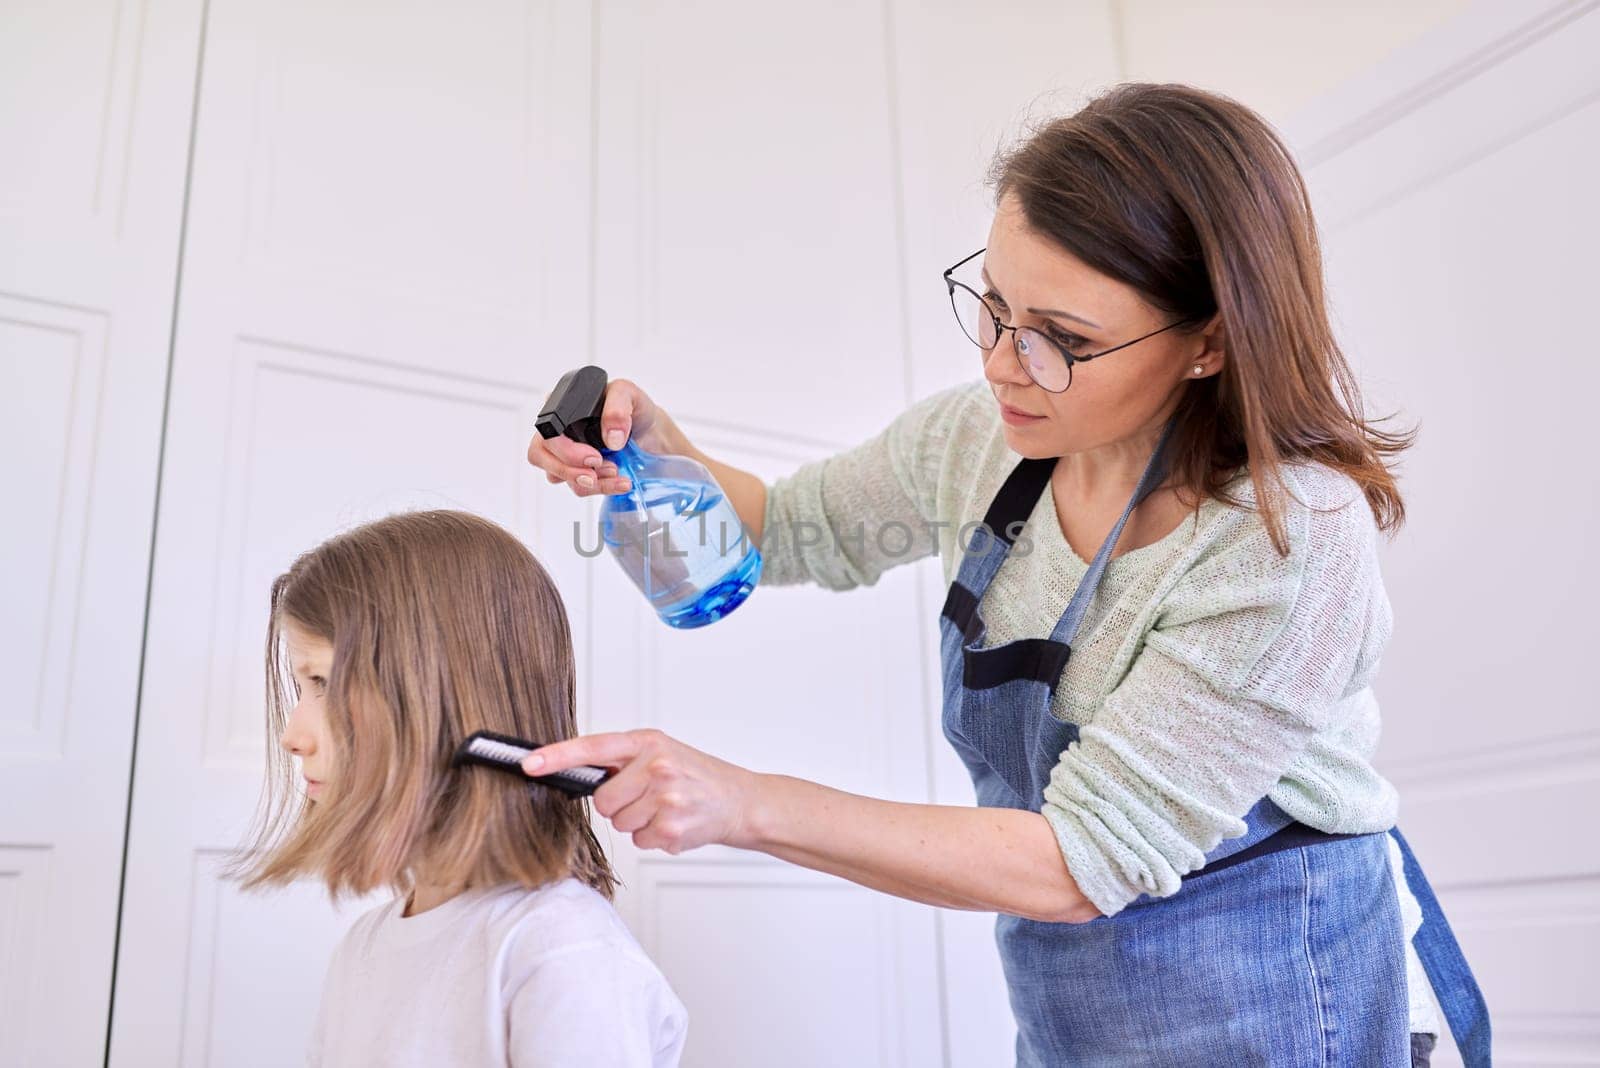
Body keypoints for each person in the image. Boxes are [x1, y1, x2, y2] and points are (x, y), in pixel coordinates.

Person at [524, 83, 1489, 1066]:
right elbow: (785, 531)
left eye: (1061, 341)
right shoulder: (976, 442)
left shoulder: (1287, 539)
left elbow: (1083, 859)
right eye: (991, 306)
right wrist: (655, 453)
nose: (1001, 364)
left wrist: (744, 802)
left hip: (1284, 997)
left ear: (1209, 342)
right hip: (1074, 1001)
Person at [230, 509, 688, 1067]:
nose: (292, 736)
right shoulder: (365, 949)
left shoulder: (559, 951)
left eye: (323, 683)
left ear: (444, 695)